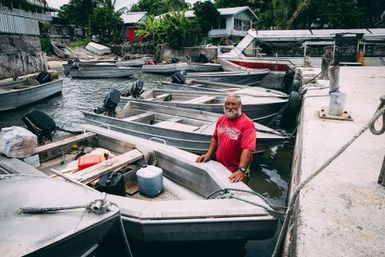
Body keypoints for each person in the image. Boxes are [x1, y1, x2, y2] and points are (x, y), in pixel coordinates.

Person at [195, 93, 256, 183]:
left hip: (237, 169)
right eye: (227, 104)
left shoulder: (247, 124)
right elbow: (215, 138)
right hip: (221, 166)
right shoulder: (221, 119)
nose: (230, 107)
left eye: (233, 104)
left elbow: (247, 149)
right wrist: (208, 154)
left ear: (239, 106)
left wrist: (241, 170)